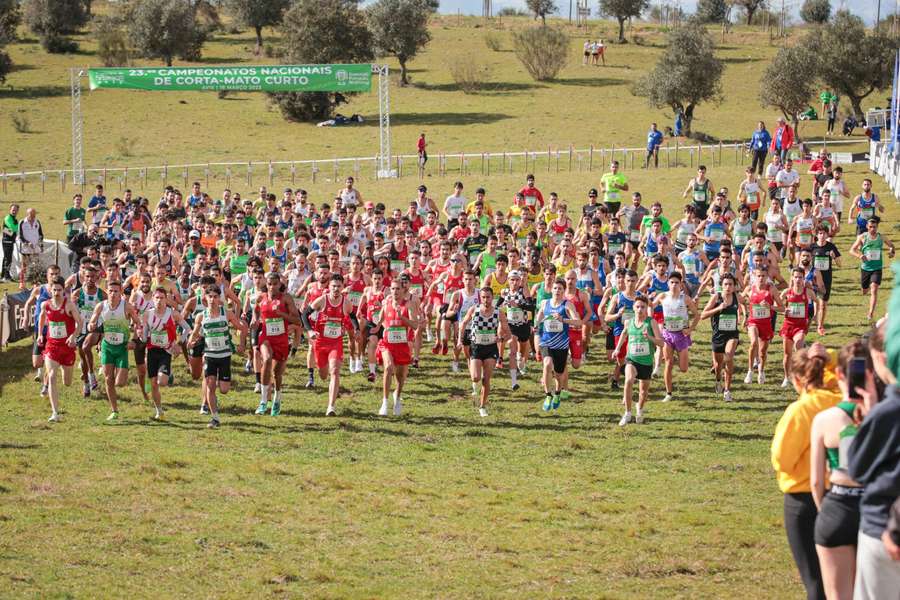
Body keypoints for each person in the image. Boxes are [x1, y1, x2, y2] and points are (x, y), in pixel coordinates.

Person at [772, 344, 841, 600]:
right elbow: (847, 364)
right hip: (841, 496)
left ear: (798, 379)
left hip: (803, 499)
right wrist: (828, 357)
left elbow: (782, 459)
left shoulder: (801, 410)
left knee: (815, 580)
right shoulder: (842, 399)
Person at [810, 341, 870, 600]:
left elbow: (815, 481)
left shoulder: (825, 419)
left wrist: (827, 510)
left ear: (839, 374)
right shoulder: (884, 416)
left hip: (837, 504)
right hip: (874, 507)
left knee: (837, 595)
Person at [848, 323, 900, 599]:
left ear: (880, 358)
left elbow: (856, 466)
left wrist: (869, 417)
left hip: (883, 529)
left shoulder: (889, 410)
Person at [188, 282, 247, 429]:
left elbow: (242, 328)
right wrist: (190, 341)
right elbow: (195, 333)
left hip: (225, 355)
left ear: (219, 298)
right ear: (205, 298)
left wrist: (241, 344)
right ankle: (215, 417)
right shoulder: (201, 316)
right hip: (209, 355)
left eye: (215, 297)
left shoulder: (226, 313)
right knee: (210, 385)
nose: (212, 299)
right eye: (210, 297)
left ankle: (215, 402)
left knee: (224, 389)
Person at [87, 279, 141, 421]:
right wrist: (91, 325)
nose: (112, 294)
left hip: (122, 347)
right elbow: (92, 321)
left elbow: (138, 324)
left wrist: (134, 340)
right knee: (108, 379)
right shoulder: (101, 306)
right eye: (110, 291)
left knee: (120, 382)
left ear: (120, 293)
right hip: (107, 346)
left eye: (116, 291)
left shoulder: (127, 307)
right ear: (107, 292)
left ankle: (123, 374)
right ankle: (114, 410)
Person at [304, 273, 352, 416]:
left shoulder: (346, 302)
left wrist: (351, 329)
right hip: (320, 342)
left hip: (335, 343)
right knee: (324, 374)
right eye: (333, 286)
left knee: (335, 371)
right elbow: (304, 314)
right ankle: (324, 377)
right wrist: (310, 331)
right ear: (329, 287)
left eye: (339, 286)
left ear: (342, 287)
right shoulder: (322, 300)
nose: (336, 289)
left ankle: (331, 406)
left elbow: (351, 317)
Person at [253, 272, 300, 416]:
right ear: (265, 285)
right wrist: (254, 319)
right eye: (269, 284)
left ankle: (277, 397)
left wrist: (282, 315)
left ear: (280, 285)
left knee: (277, 374)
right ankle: (263, 401)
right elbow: (255, 310)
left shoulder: (286, 299)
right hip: (266, 337)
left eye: (275, 284)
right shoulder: (261, 297)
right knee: (266, 359)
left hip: (281, 340)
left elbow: (297, 321)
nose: (272, 287)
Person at [459, 286, 509, 417]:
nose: (486, 300)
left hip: (491, 347)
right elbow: (463, 324)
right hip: (476, 346)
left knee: (486, 379)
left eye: (488, 297)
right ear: (480, 298)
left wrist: (501, 338)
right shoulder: (474, 310)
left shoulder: (499, 312)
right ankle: (475, 384)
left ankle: (482, 406)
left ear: (492, 298)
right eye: (483, 297)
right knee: (475, 377)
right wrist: (460, 340)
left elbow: (508, 332)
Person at [38, 276, 82, 423]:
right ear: (50, 289)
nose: (56, 292)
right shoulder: (46, 304)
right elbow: (42, 319)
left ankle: (65, 369)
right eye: (54, 289)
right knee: (51, 376)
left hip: (67, 347)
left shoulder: (69, 305)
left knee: (67, 382)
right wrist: (39, 335)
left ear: (64, 290)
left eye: (59, 290)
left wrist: (73, 336)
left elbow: (80, 323)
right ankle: (55, 412)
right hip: (52, 346)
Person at [534, 276, 582, 411]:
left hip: (561, 345)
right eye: (555, 288)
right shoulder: (545, 303)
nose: (557, 291)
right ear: (552, 289)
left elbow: (578, 322)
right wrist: (537, 325)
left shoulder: (567, 305)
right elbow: (539, 316)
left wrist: (563, 320)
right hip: (546, 341)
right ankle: (548, 395)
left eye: (560, 288)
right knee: (547, 364)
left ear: (564, 291)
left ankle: (558, 393)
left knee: (559, 374)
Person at [614, 295, 663, 426]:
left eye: (643, 307)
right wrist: (617, 349)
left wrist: (650, 338)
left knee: (643, 392)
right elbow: (624, 333)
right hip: (632, 359)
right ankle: (627, 413)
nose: (640, 309)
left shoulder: (651, 322)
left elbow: (661, 343)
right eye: (637, 307)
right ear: (633, 308)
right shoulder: (629, 322)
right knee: (629, 380)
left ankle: (639, 409)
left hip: (646, 362)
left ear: (647, 308)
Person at [374, 277, 420, 416]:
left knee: (400, 377)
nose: (395, 291)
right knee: (388, 368)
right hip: (387, 343)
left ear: (403, 289)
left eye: (398, 288)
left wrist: (402, 317)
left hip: (403, 344)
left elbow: (415, 325)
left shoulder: (409, 305)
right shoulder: (386, 302)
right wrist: (382, 328)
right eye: (392, 288)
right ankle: (384, 402)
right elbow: (380, 319)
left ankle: (397, 398)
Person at [143, 287, 190, 420]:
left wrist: (179, 343)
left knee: (162, 382)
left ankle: (167, 373)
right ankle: (159, 411)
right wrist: (142, 335)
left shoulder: (173, 314)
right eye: (156, 298)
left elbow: (187, 328)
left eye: (162, 298)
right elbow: (145, 334)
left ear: (166, 299)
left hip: (166, 351)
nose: (159, 301)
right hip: (152, 350)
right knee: (153, 384)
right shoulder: (147, 314)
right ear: (153, 299)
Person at [654, 271, 699, 403]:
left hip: (681, 335)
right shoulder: (662, 296)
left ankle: (677, 355)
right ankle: (668, 393)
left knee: (684, 369)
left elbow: (697, 315)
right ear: (668, 283)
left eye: (676, 283)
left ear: (681, 284)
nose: (674, 285)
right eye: (672, 282)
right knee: (668, 363)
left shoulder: (685, 298)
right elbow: (650, 306)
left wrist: (690, 329)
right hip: (667, 334)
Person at [701, 273, 745, 402]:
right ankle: (718, 380)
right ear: (721, 285)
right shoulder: (716, 297)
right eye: (725, 284)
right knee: (718, 364)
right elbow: (703, 315)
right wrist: (718, 308)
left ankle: (727, 390)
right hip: (718, 335)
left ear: (734, 286)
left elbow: (747, 302)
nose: (728, 287)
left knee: (729, 356)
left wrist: (746, 316)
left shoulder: (737, 296)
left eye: (731, 284)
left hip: (732, 334)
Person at [849, 217, 895, 322]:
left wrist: (892, 252)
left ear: (877, 227)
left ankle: (870, 313)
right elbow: (852, 250)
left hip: (877, 268)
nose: (872, 229)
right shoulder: (862, 237)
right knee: (865, 290)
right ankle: (865, 289)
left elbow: (891, 245)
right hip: (865, 268)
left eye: (874, 227)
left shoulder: (881, 237)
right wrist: (860, 256)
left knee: (874, 288)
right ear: (867, 227)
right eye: (870, 227)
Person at [744, 268, 783, 386]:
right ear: (755, 276)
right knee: (753, 343)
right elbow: (740, 299)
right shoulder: (750, 288)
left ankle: (761, 371)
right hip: (753, 322)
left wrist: (770, 307)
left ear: (767, 277)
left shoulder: (771, 289)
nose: (761, 278)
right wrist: (744, 314)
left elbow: (782, 308)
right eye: (759, 276)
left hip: (766, 323)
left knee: (762, 352)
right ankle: (750, 371)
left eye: (763, 276)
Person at [780, 268, 814, 389]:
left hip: (800, 326)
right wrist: (784, 311)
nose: (798, 279)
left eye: (800, 277)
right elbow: (779, 306)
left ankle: (801, 375)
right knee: (787, 354)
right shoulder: (786, 292)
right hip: (788, 325)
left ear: (803, 278)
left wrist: (815, 316)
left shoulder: (808, 292)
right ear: (792, 278)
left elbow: (817, 302)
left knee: (798, 345)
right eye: (796, 277)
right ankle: (786, 377)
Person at [17, 208, 43, 290]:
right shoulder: (22, 222)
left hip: (36, 248)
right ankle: (22, 283)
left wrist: (39, 241)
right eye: (31, 215)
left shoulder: (37, 222)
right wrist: (27, 243)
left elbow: (41, 234)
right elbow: (20, 236)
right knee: (24, 266)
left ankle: (35, 283)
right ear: (27, 214)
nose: (33, 216)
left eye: (34, 215)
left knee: (36, 266)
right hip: (26, 248)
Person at [1, 203, 18, 282]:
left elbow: (15, 229)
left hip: (10, 241)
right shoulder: (8, 218)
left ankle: (4, 275)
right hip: (6, 240)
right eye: (13, 210)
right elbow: (13, 228)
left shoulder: (15, 219)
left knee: (7, 258)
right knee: (8, 259)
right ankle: (6, 276)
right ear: (10, 210)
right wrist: (15, 229)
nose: (14, 211)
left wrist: (15, 230)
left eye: (16, 210)